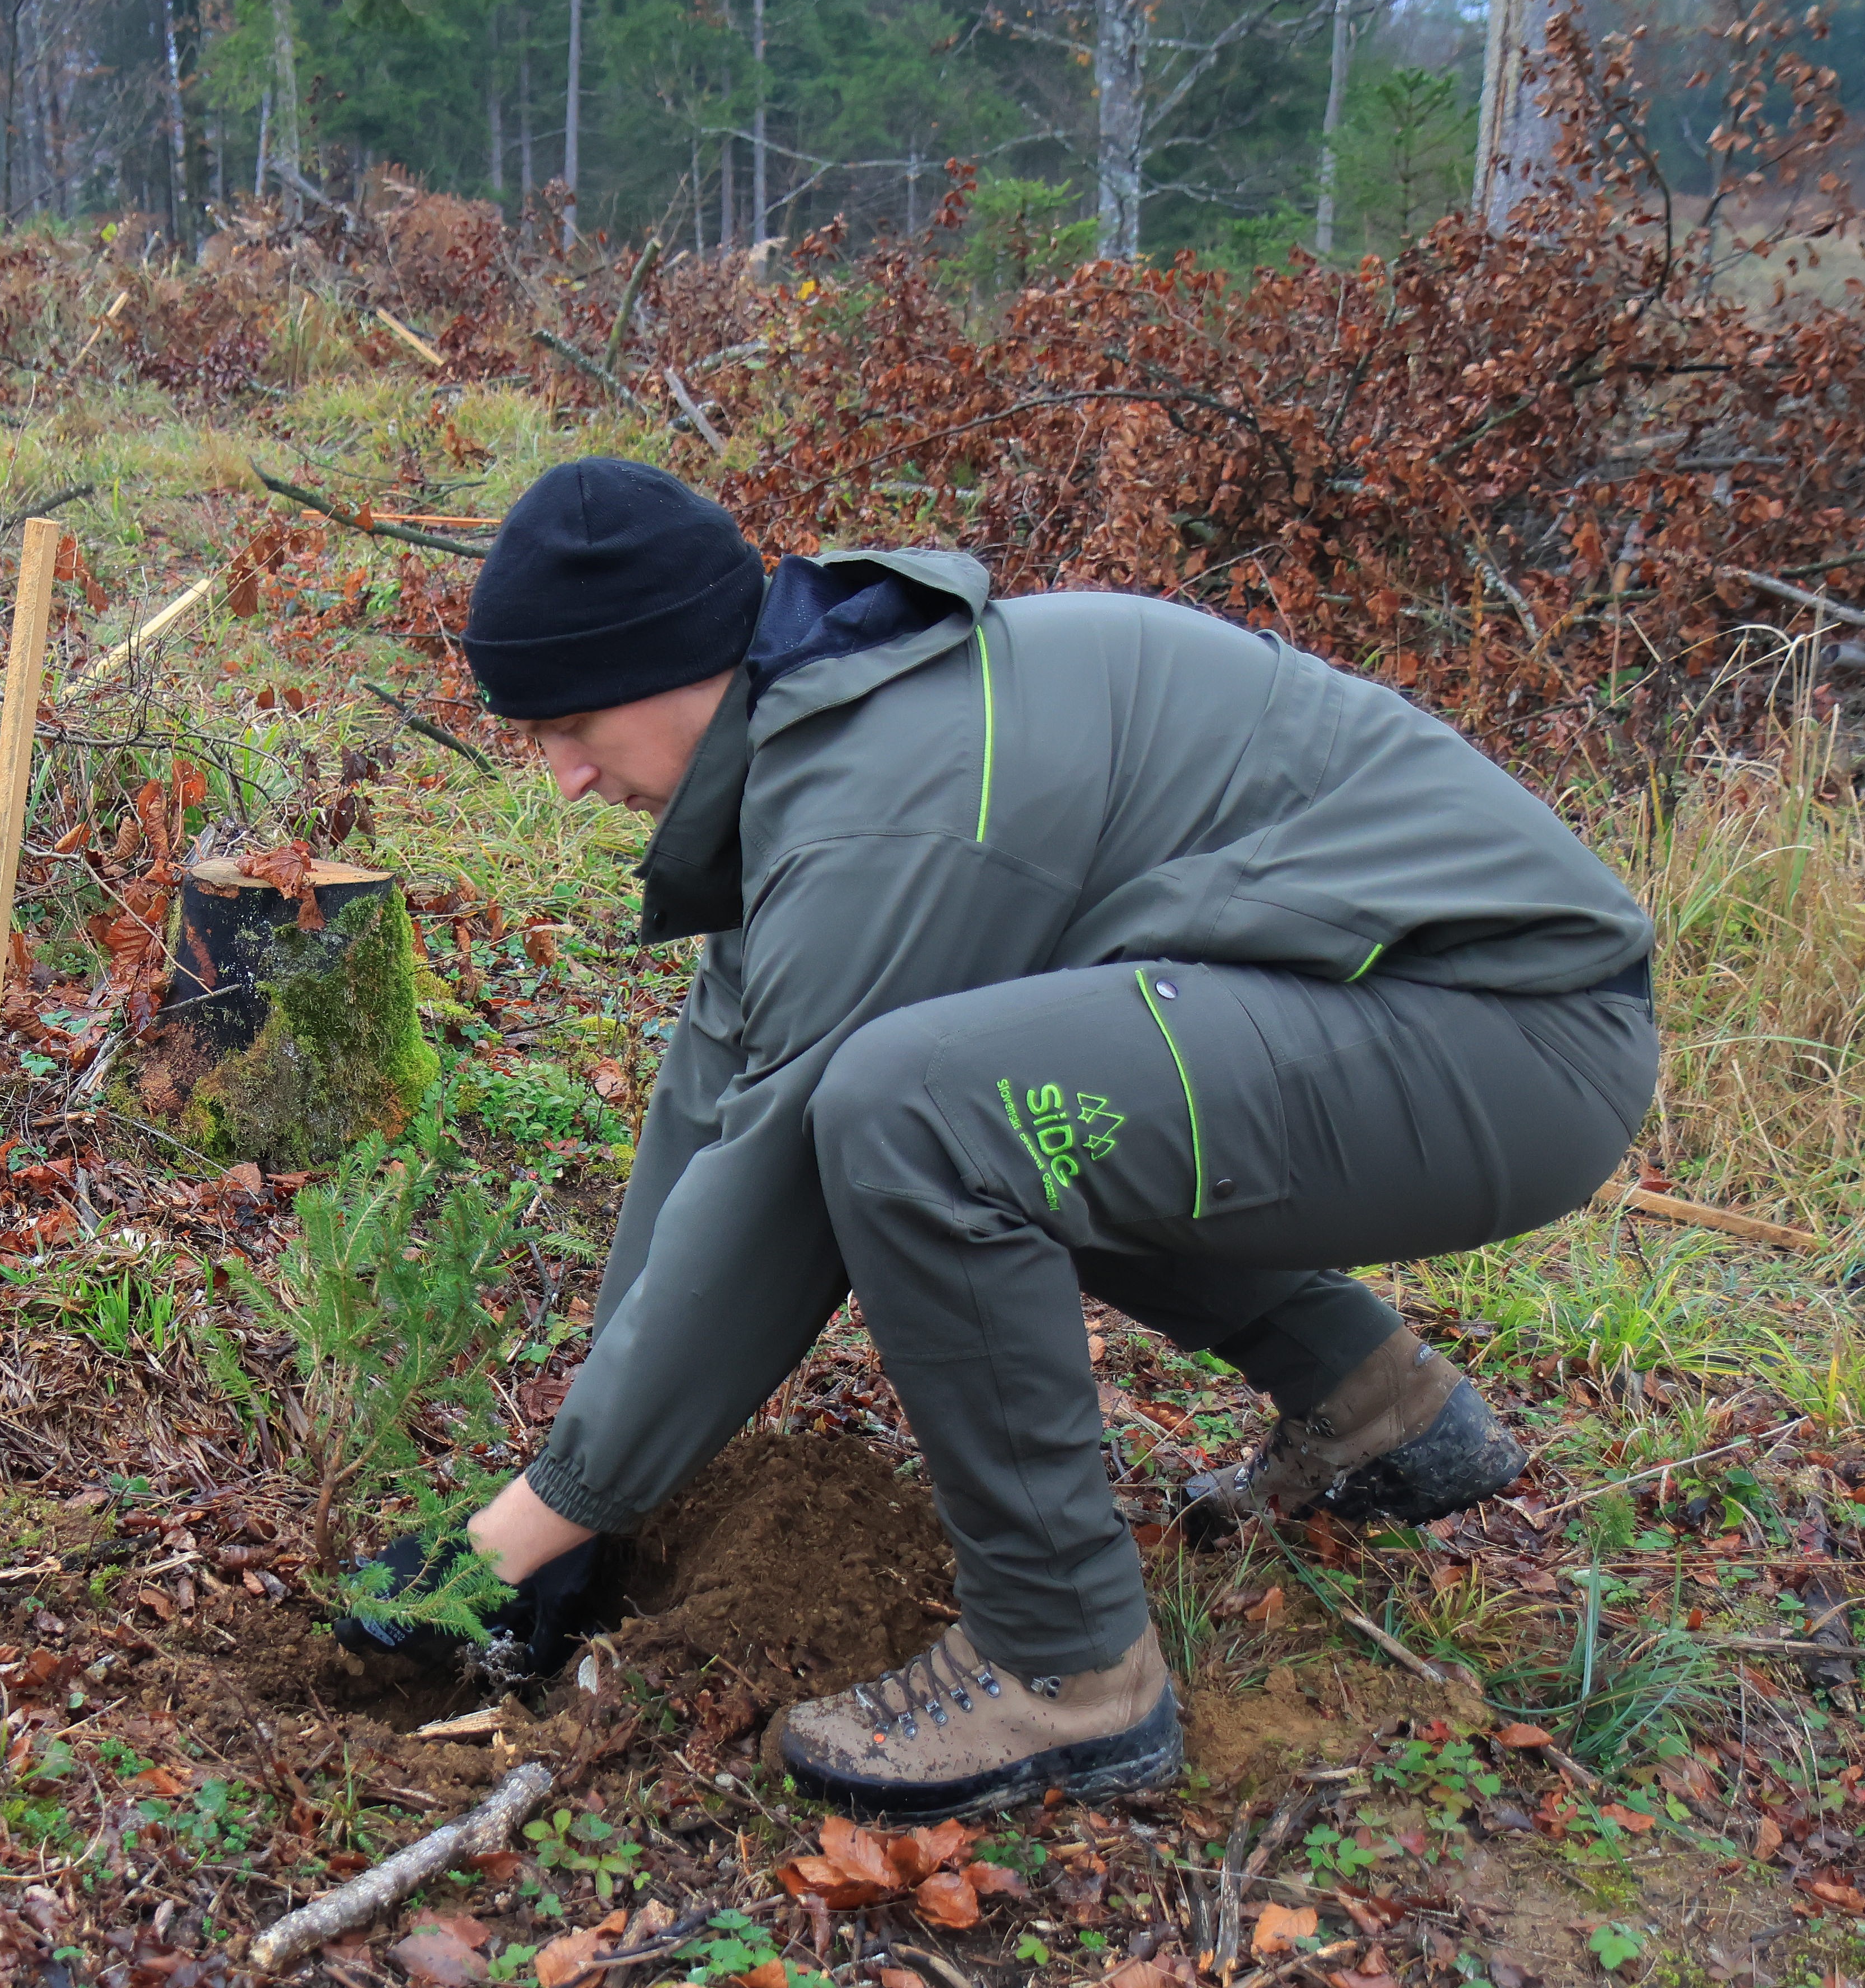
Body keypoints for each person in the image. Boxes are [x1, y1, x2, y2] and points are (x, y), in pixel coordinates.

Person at [344, 459, 1658, 1820]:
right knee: (1015, 1092)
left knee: (919, 1114)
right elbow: (711, 1114)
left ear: (677, 664)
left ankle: (1065, 1660)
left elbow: (779, 1185)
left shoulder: (886, 802)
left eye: (572, 722)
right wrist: (588, 1501)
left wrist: (520, 1529)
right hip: (1399, 1011)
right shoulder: (827, 718)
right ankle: (1376, 1400)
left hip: (1508, 1037)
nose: (560, 777)